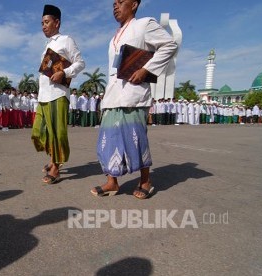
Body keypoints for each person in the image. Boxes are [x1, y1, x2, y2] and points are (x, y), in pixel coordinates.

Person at [91, 0, 177, 199]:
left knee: (136, 139)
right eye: (114, 3)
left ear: (135, 4)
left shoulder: (144, 24)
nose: (115, 6)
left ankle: (145, 180)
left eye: (121, 1)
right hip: (113, 96)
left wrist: (146, 69)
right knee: (107, 140)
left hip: (133, 94)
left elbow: (169, 45)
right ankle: (112, 181)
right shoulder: (113, 38)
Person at [31, 4, 85, 184]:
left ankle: (55, 166)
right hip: (44, 95)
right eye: (42, 23)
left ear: (57, 22)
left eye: (46, 22)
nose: (43, 26)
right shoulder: (47, 45)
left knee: (57, 132)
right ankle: (55, 157)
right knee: (39, 131)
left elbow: (80, 63)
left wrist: (65, 73)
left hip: (58, 94)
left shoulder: (66, 40)